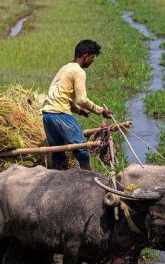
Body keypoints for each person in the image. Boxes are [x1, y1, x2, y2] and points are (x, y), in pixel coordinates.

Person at [41, 39, 112, 171]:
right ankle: (90, 180)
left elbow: (61, 96)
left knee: (58, 154)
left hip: (47, 116)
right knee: (81, 149)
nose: (92, 61)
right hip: (61, 115)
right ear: (85, 55)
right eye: (92, 58)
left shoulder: (65, 68)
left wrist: (79, 111)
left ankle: (57, 181)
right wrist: (101, 110)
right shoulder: (79, 71)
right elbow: (82, 100)